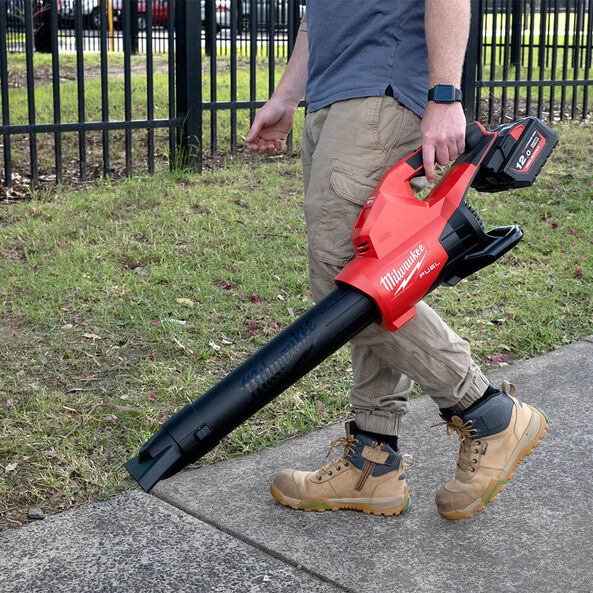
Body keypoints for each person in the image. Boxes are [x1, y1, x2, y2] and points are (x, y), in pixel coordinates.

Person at [245, 1, 547, 520]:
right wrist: (286, 97)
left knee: (351, 291)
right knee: (365, 274)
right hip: (333, 98)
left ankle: (486, 410)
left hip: (380, 99)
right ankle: (373, 459)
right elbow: (315, 16)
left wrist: (445, 96)